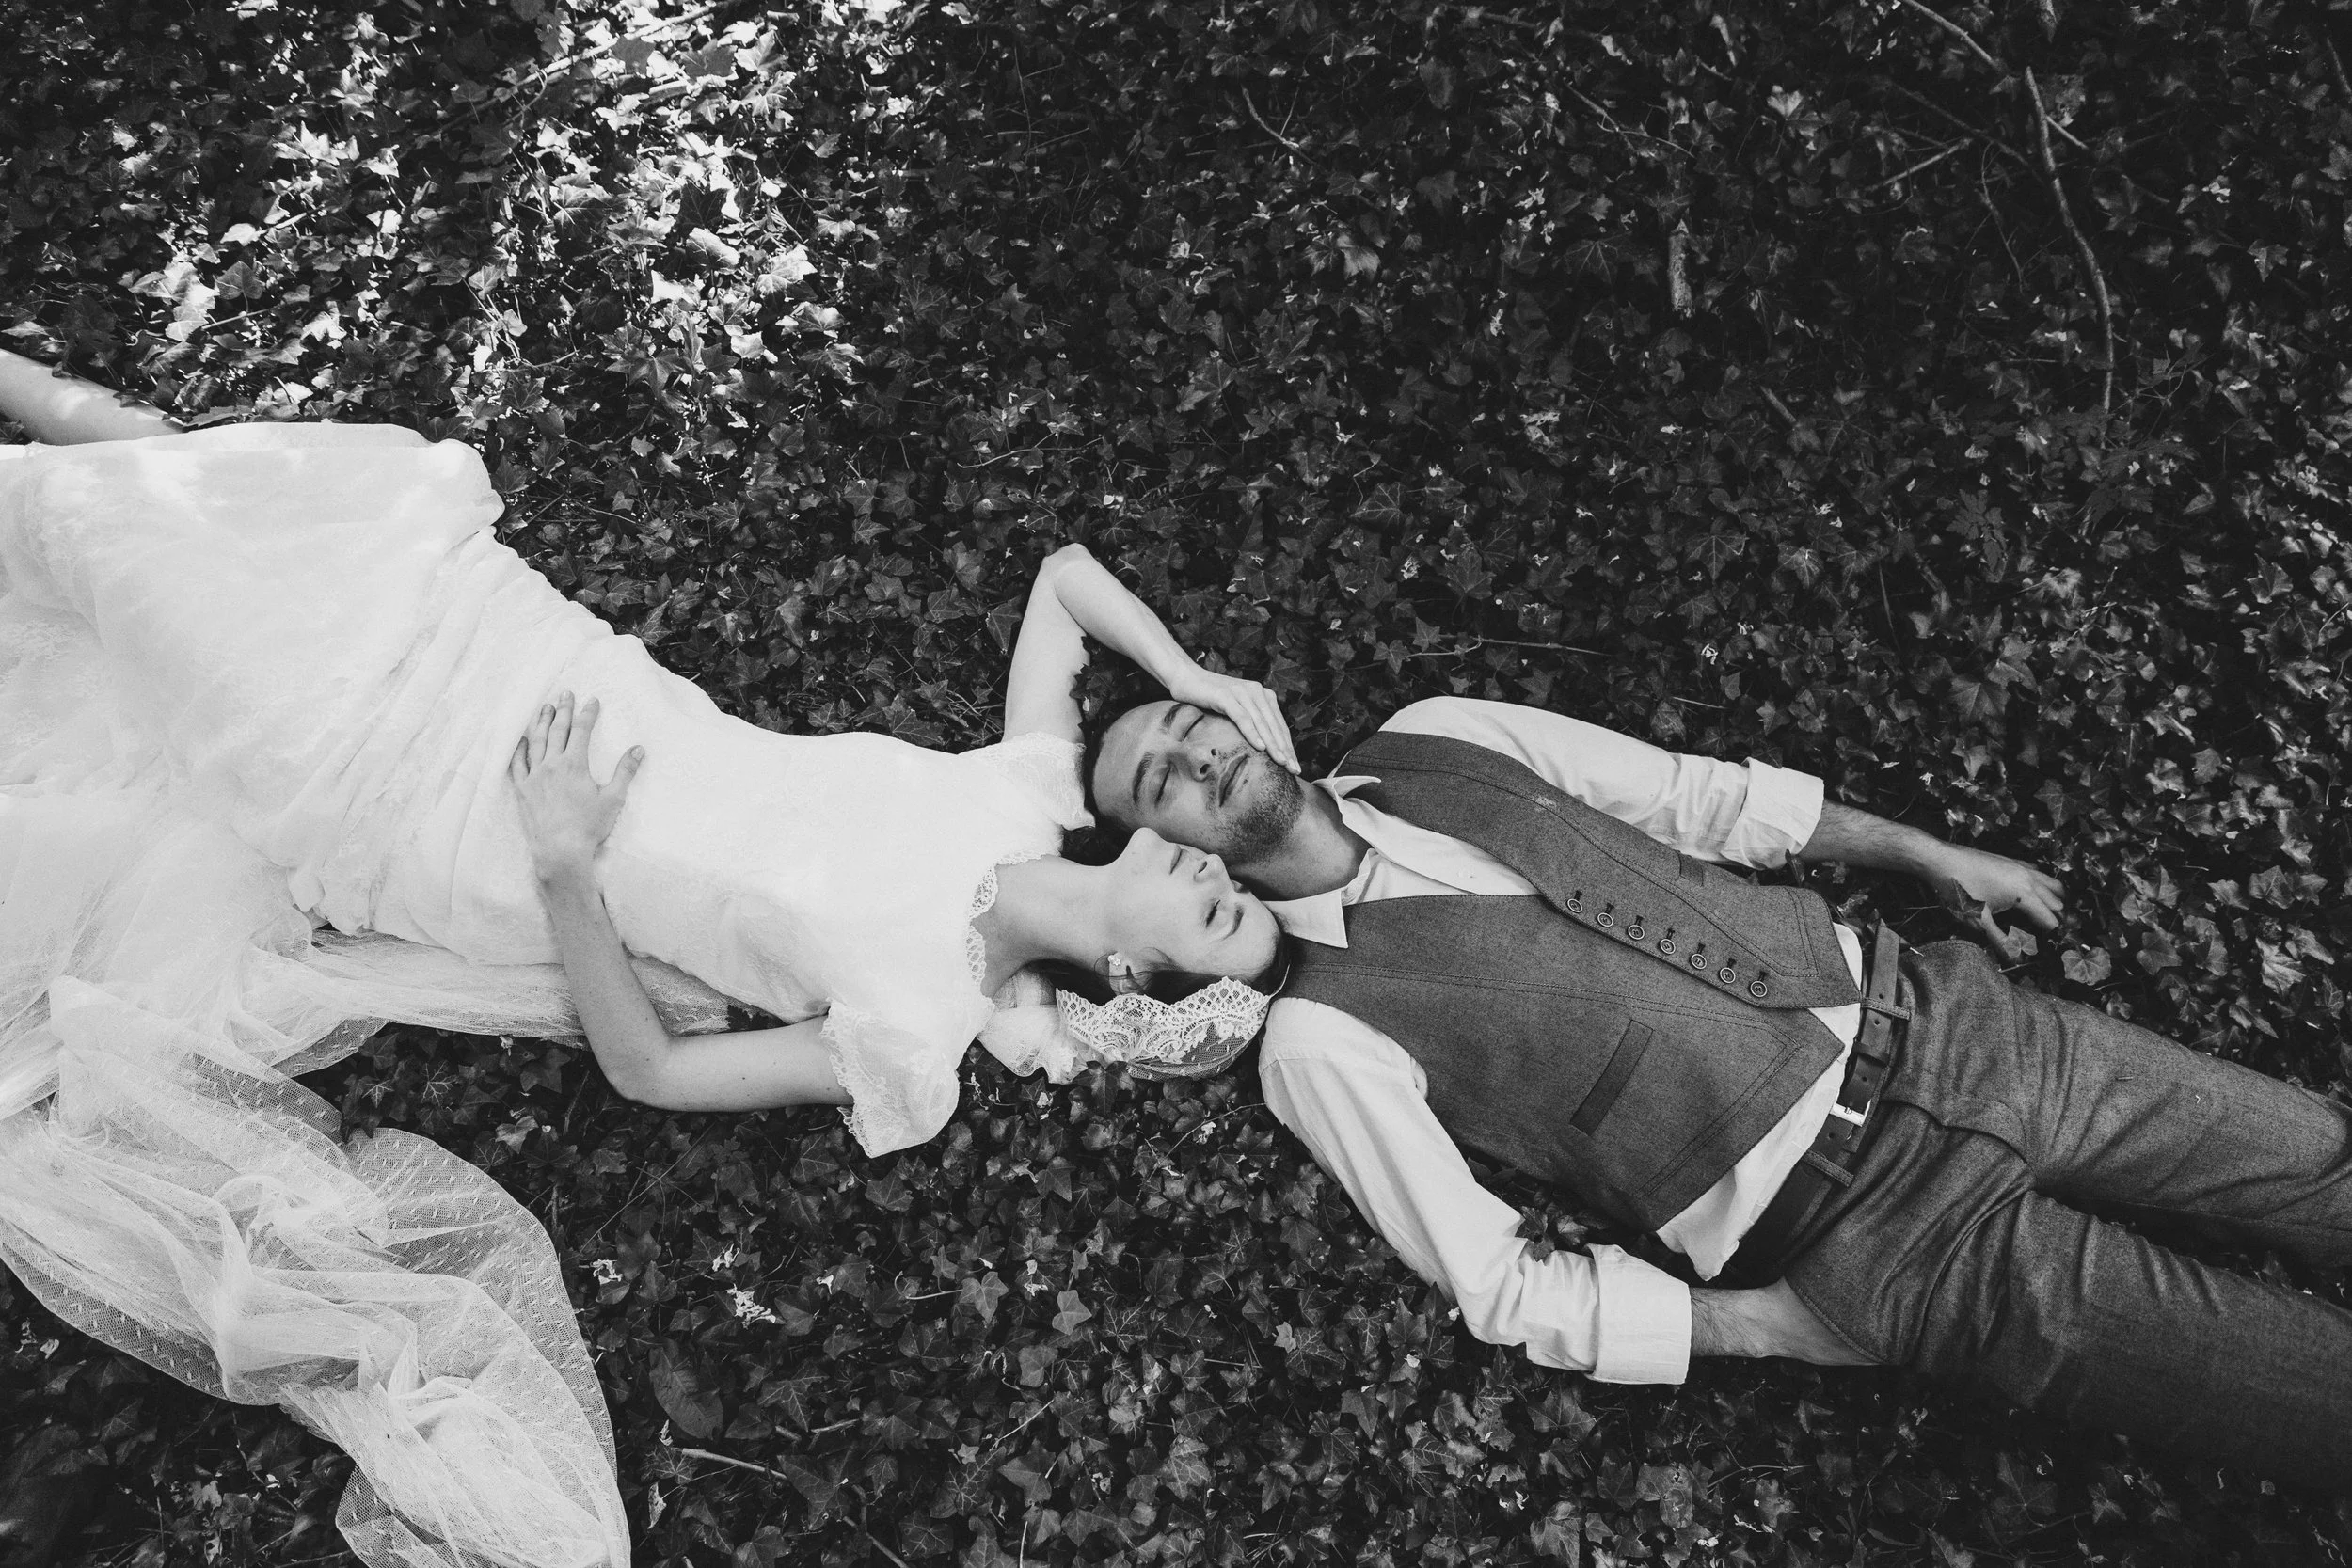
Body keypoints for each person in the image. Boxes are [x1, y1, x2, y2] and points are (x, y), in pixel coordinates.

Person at [0, 346, 1284, 1567]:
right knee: (229, 499)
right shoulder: (1022, 788)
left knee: (110, 541)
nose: (1215, 865)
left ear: (1131, 987)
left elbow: (655, 1069)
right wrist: (1189, 672)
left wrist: (563, 859)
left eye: (1216, 915)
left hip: (461, 809)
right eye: (1230, 871)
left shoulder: (916, 1030)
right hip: (530, 652)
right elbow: (1064, 578)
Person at [1085, 689, 2352, 1491]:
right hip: (1892, 1244)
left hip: (1963, 1026)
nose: (1195, 754)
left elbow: (1697, 797)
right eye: (1159, 778)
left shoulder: (1435, 733)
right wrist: (1766, 1327)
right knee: (2309, 1392)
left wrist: (1921, 849)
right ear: (1168, 845)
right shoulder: (1320, 1038)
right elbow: (1500, 1284)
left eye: (1186, 724)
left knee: (2323, 1159)